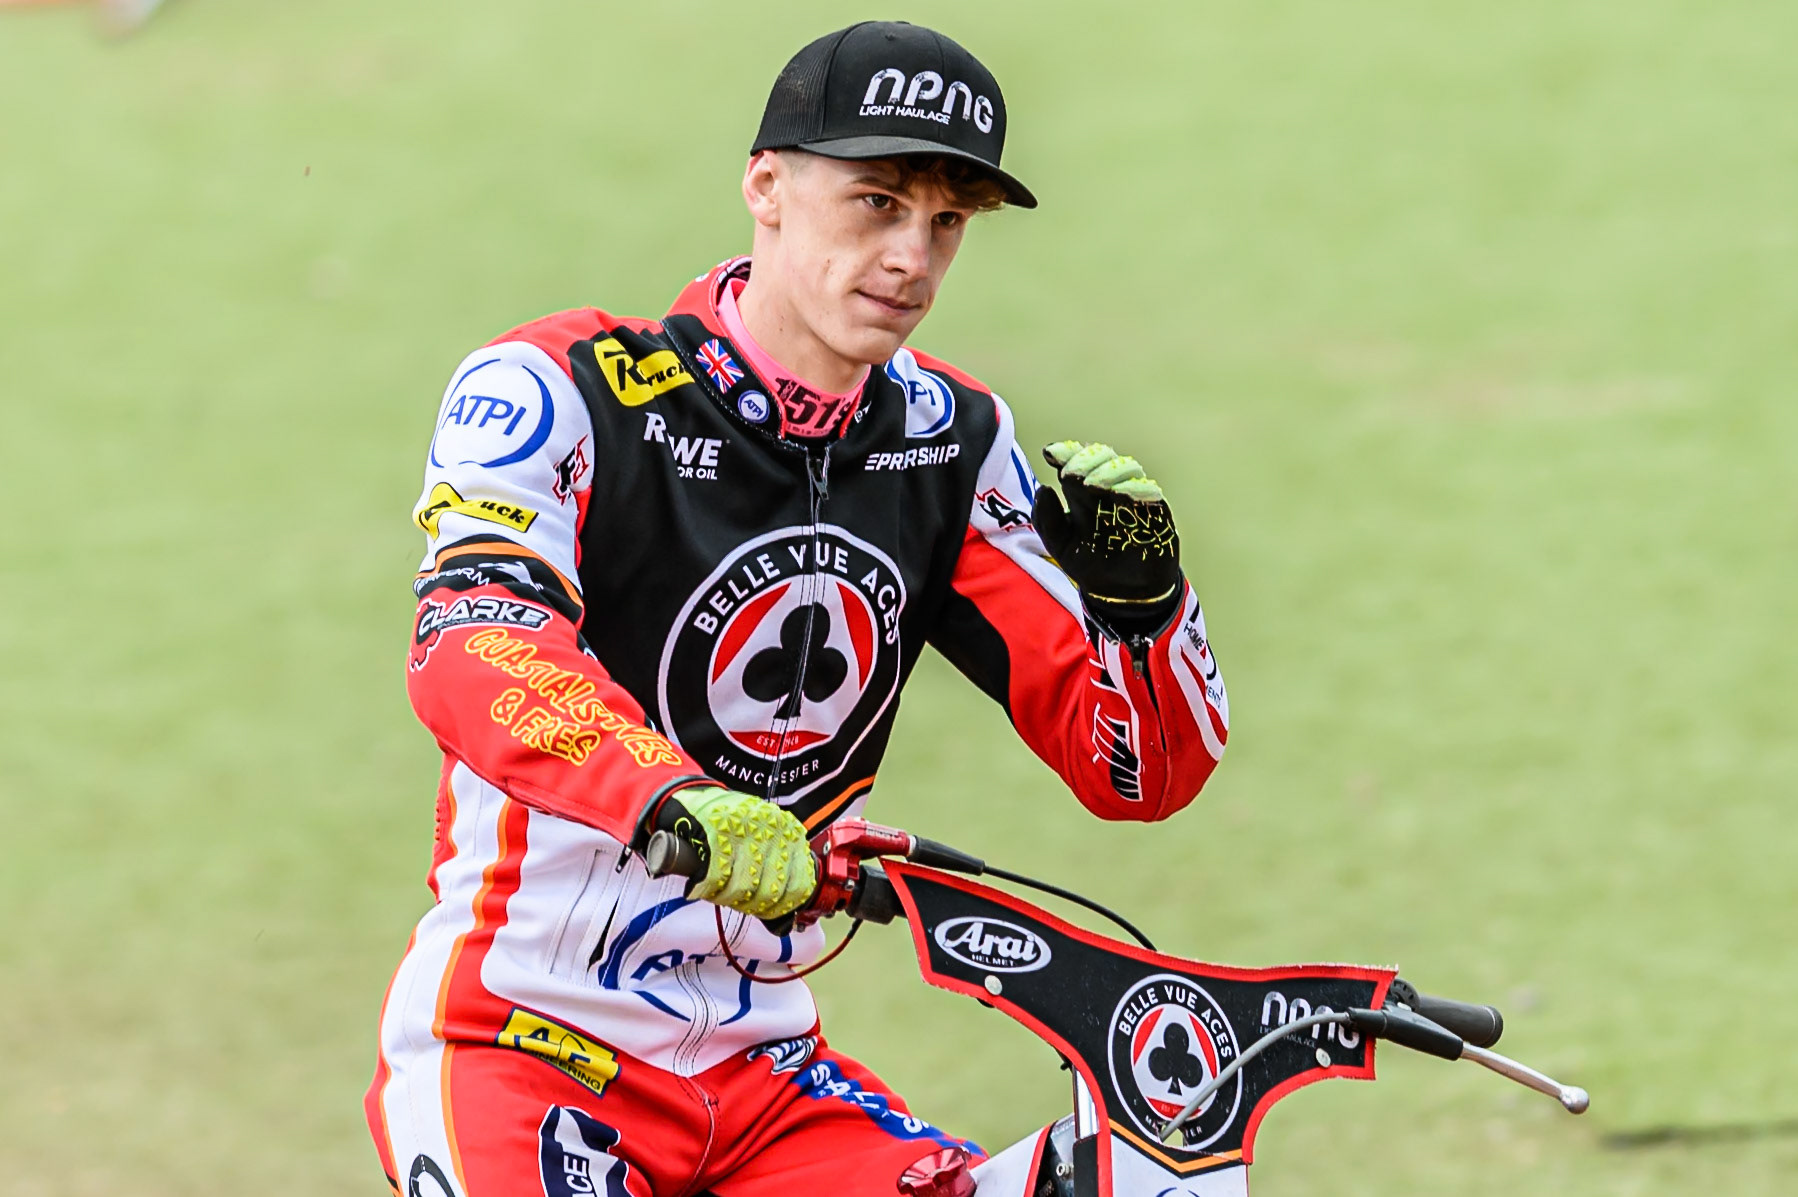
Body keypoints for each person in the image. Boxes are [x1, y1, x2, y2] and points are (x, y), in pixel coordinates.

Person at [365, 20, 1229, 1197]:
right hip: (523, 1053)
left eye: (946, 223)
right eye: (876, 202)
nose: (911, 260)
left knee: (1154, 1182)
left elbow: (1138, 777)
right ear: (765, 187)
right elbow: (471, 650)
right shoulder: (561, 388)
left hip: (768, 1081)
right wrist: (675, 799)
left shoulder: (950, 442)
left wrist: (1142, 610)